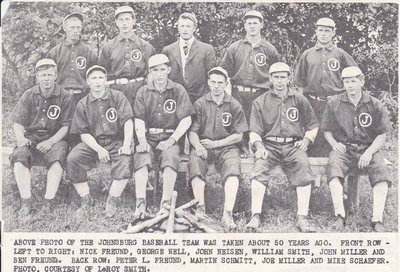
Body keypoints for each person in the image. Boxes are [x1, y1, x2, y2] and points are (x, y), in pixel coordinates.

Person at [245, 62, 318, 232]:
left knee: (303, 166)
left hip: (293, 146)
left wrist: (306, 141)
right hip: (269, 145)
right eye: (276, 77)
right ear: (270, 78)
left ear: (288, 78)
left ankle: (302, 217)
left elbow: (313, 125)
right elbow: (254, 130)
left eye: (282, 77)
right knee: (260, 166)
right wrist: (259, 146)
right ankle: (255, 215)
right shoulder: (260, 101)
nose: (279, 81)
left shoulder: (299, 99)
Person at [321, 66, 392, 232]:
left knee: (381, 169)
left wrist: (368, 153)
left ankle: (377, 219)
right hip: (344, 149)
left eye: (353, 81)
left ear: (362, 81)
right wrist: (333, 144)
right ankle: (340, 215)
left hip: (368, 148)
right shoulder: (334, 103)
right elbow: (326, 130)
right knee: (334, 166)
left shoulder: (374, 104)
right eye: (346, 81)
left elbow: (382, 135)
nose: (350, 85)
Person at [9, 59, 74, 220]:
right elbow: (18, 122)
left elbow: (66, 126)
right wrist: (20, 138)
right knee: (19, 156)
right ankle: (26, 201)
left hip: (56, 138)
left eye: (49, 75)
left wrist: (51, 141)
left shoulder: (65, 96)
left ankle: (48, 201)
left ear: (56, 76)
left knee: (58, 158)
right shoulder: (29, 94)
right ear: (37, 77)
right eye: (43, 75)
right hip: (32, 138)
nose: (46, 78)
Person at [66, 65, 134, 218]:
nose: (97, 82)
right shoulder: (83, 103)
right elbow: (83, 133)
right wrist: (99, 149)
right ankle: (85, 198)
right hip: (93, 143)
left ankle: (113, 199)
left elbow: (128, 121)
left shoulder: (117, 97)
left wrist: (126, 144)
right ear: (88, 81)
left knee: (125, 158)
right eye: (94, 78)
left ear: (106, 80)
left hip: (115, 140)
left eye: (101, 78)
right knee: (73, 158)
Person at [133, 54, 194, 217]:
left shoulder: (178, 90)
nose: (159, 74)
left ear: (168, 70)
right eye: (154, 71)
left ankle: (165, 202)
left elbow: (186, 119)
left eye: (162, 70)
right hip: (149, 137)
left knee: (170, 158)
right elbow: (138, 119)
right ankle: (140, 202)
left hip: (170, 137)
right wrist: (142, 140)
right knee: (142, 155)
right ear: (150, 73)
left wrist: (172, 140)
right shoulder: (143, 91)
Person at [189, 67, 248, 231]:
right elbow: (192, 132)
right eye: (213, 82)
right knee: (195, 161)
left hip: (227, 146)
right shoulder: (200, 103)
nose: (216, 86)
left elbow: (238, 136)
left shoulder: (234, 104)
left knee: (233, 167)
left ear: (226, 84)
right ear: (208, 83)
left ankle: (227, 213)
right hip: (204, 146)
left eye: (220, 83)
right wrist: (198, 146)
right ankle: (200, 209)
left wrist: (216, 144)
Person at [294, 17, 358, 156]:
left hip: (335, 102)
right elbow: (299, 81)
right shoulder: (307, 54)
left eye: (327, 31)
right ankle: (312, 169)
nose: (323, 34)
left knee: (335, 135)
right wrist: (301, 102)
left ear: (333, 33)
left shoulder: (340, 54)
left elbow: (355, 75)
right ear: (316, 32)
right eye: (321, 30)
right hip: (312, 101)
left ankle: (338, 165)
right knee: (313, 135)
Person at [220, 10, 280, 155]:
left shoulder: (269, 49)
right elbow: (224, 71)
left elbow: (276, 71)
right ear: (245, 26)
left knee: (260, 123)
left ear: (261, 25)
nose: (252, 26)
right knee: (240, 123)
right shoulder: (235, 47)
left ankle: (259, 149)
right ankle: (241, 148)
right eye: (249, 23)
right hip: (239, 92)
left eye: (255, 23)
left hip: (261, 93)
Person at [98, 6, 155, 107]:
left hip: (139, 90)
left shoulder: (145, 46)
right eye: (121, 20)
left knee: (140, 120)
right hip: (116, 90)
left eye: (127, 19)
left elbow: (152, 73)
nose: (124, 23)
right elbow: (102, 73)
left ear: (133, 21)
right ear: (116, 22)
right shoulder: (108, 47)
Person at [162, 12, 217, 103]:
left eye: (188, 26)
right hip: (175, 98)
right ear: (178, 28)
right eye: (182, 26)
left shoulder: (207, 49)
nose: (185, 29)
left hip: (199, 99)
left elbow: (212, 77)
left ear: (194, 28)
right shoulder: (168, 50)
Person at [47, 12, 97, 106]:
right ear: (65, 28)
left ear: (81, 28)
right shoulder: (54, 52)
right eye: (72, 27)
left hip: (83, 97)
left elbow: (94, 77)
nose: (75, 30)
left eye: (78, 27)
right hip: (60, 98)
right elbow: (49, 77)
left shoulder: (89, 51)